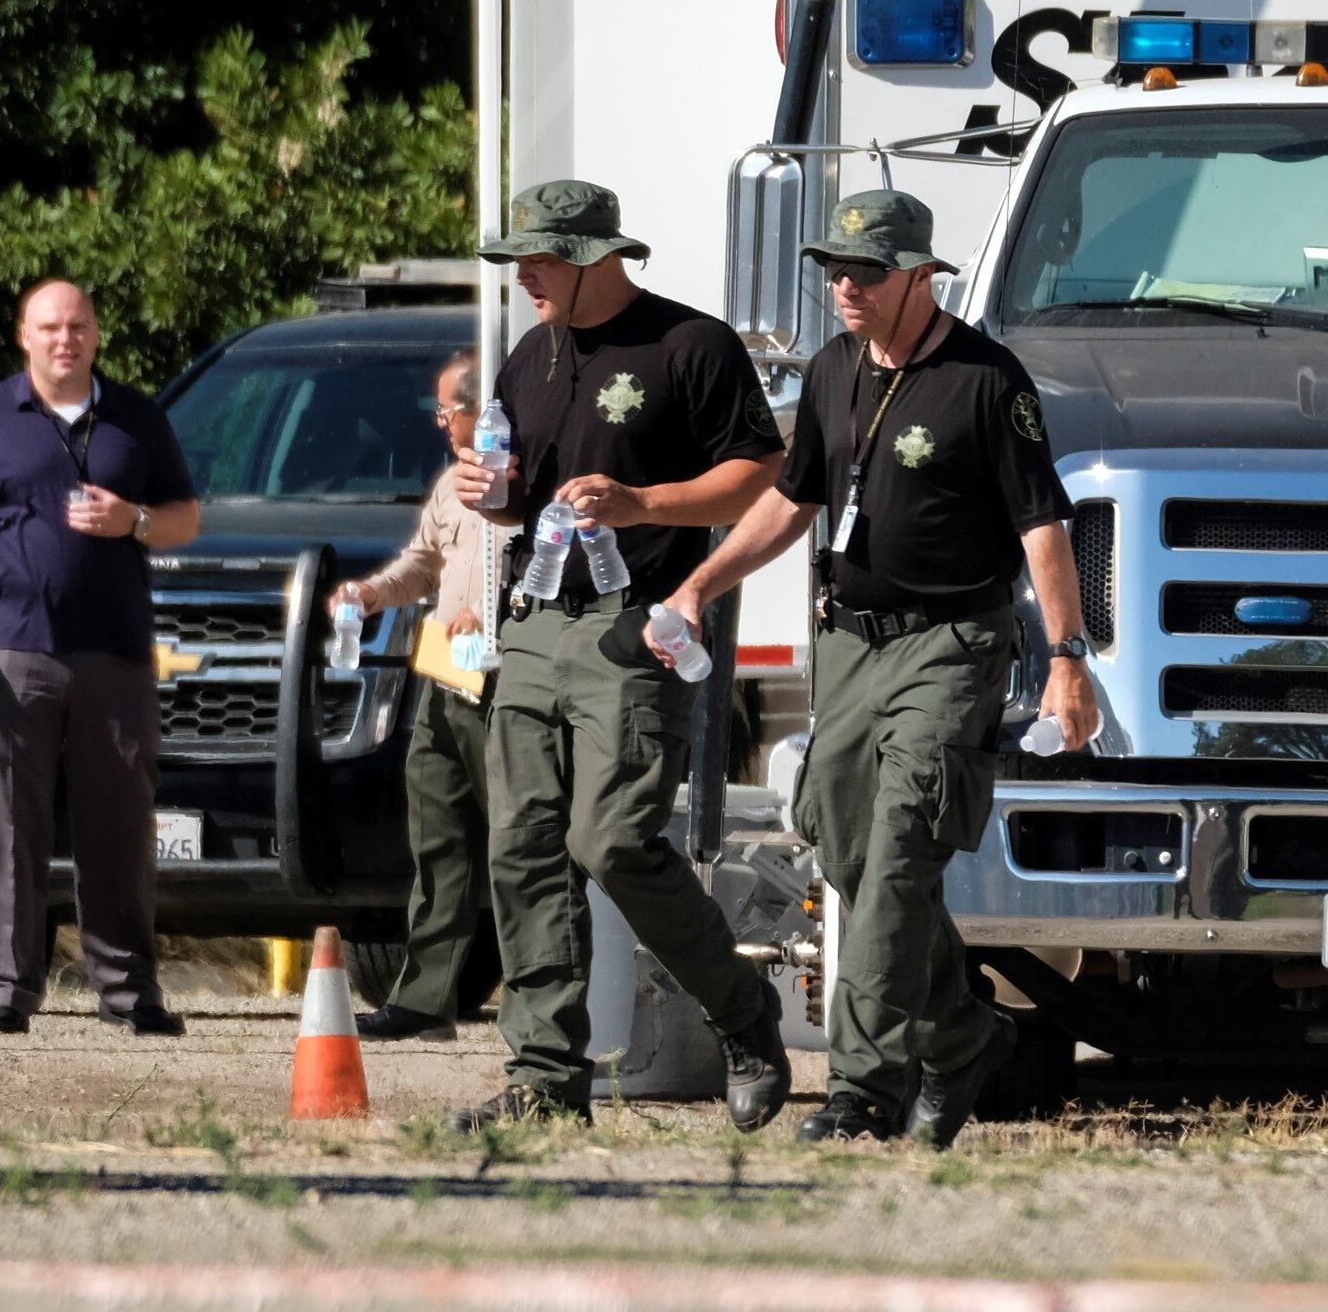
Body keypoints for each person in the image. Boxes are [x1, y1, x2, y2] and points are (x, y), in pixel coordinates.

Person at [659, 188, 1099, 1148]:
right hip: (848, 643)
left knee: (901, 854)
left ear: (917, 277)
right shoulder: (831, 369)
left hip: (949, 647)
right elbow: (792, 500)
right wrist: (701, 583)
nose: (843, 287)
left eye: (863, 272)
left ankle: (862, 1089)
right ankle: (962, 1033)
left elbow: (1041, 524)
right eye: (833, 270)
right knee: (851, 857)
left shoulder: (988, 379)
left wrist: (1068, 658)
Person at [447, 179, 793, 1132]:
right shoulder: (530, 354)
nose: (524, 274)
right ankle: (545, 1077)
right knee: (520, 849)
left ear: (598, 256)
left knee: (613, 843)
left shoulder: (691, 344)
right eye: (519, 257)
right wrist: (495, 493)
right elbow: (530, 495)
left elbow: (762, 478)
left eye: (541, 257)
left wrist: (643, 504)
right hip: (534, 624)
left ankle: (742, 1011)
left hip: (635, 629)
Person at [0, 279, 201, 1036]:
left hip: (116, 654)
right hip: (7, 653)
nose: (64, 338)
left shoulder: (137, 420)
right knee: (6, 827)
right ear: (24, 336)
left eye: (77, 326)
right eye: (49, 326)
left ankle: (129, 991)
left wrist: (132, 519)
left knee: (121, 827)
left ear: (97, 334)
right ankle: (4, 990)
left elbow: (186, 518)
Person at [331, 349, 500, 1041]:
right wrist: (372, 592)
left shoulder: (518, 481)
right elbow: (425, 563)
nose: (439, 421)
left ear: (478, 411)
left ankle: (537, 999)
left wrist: (489, 616)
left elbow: (547, 570)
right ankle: (428, 999)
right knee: (438, 834)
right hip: (443, 672)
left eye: (447, 409)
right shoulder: (448, 484)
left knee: (516, 842)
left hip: (503, 676)